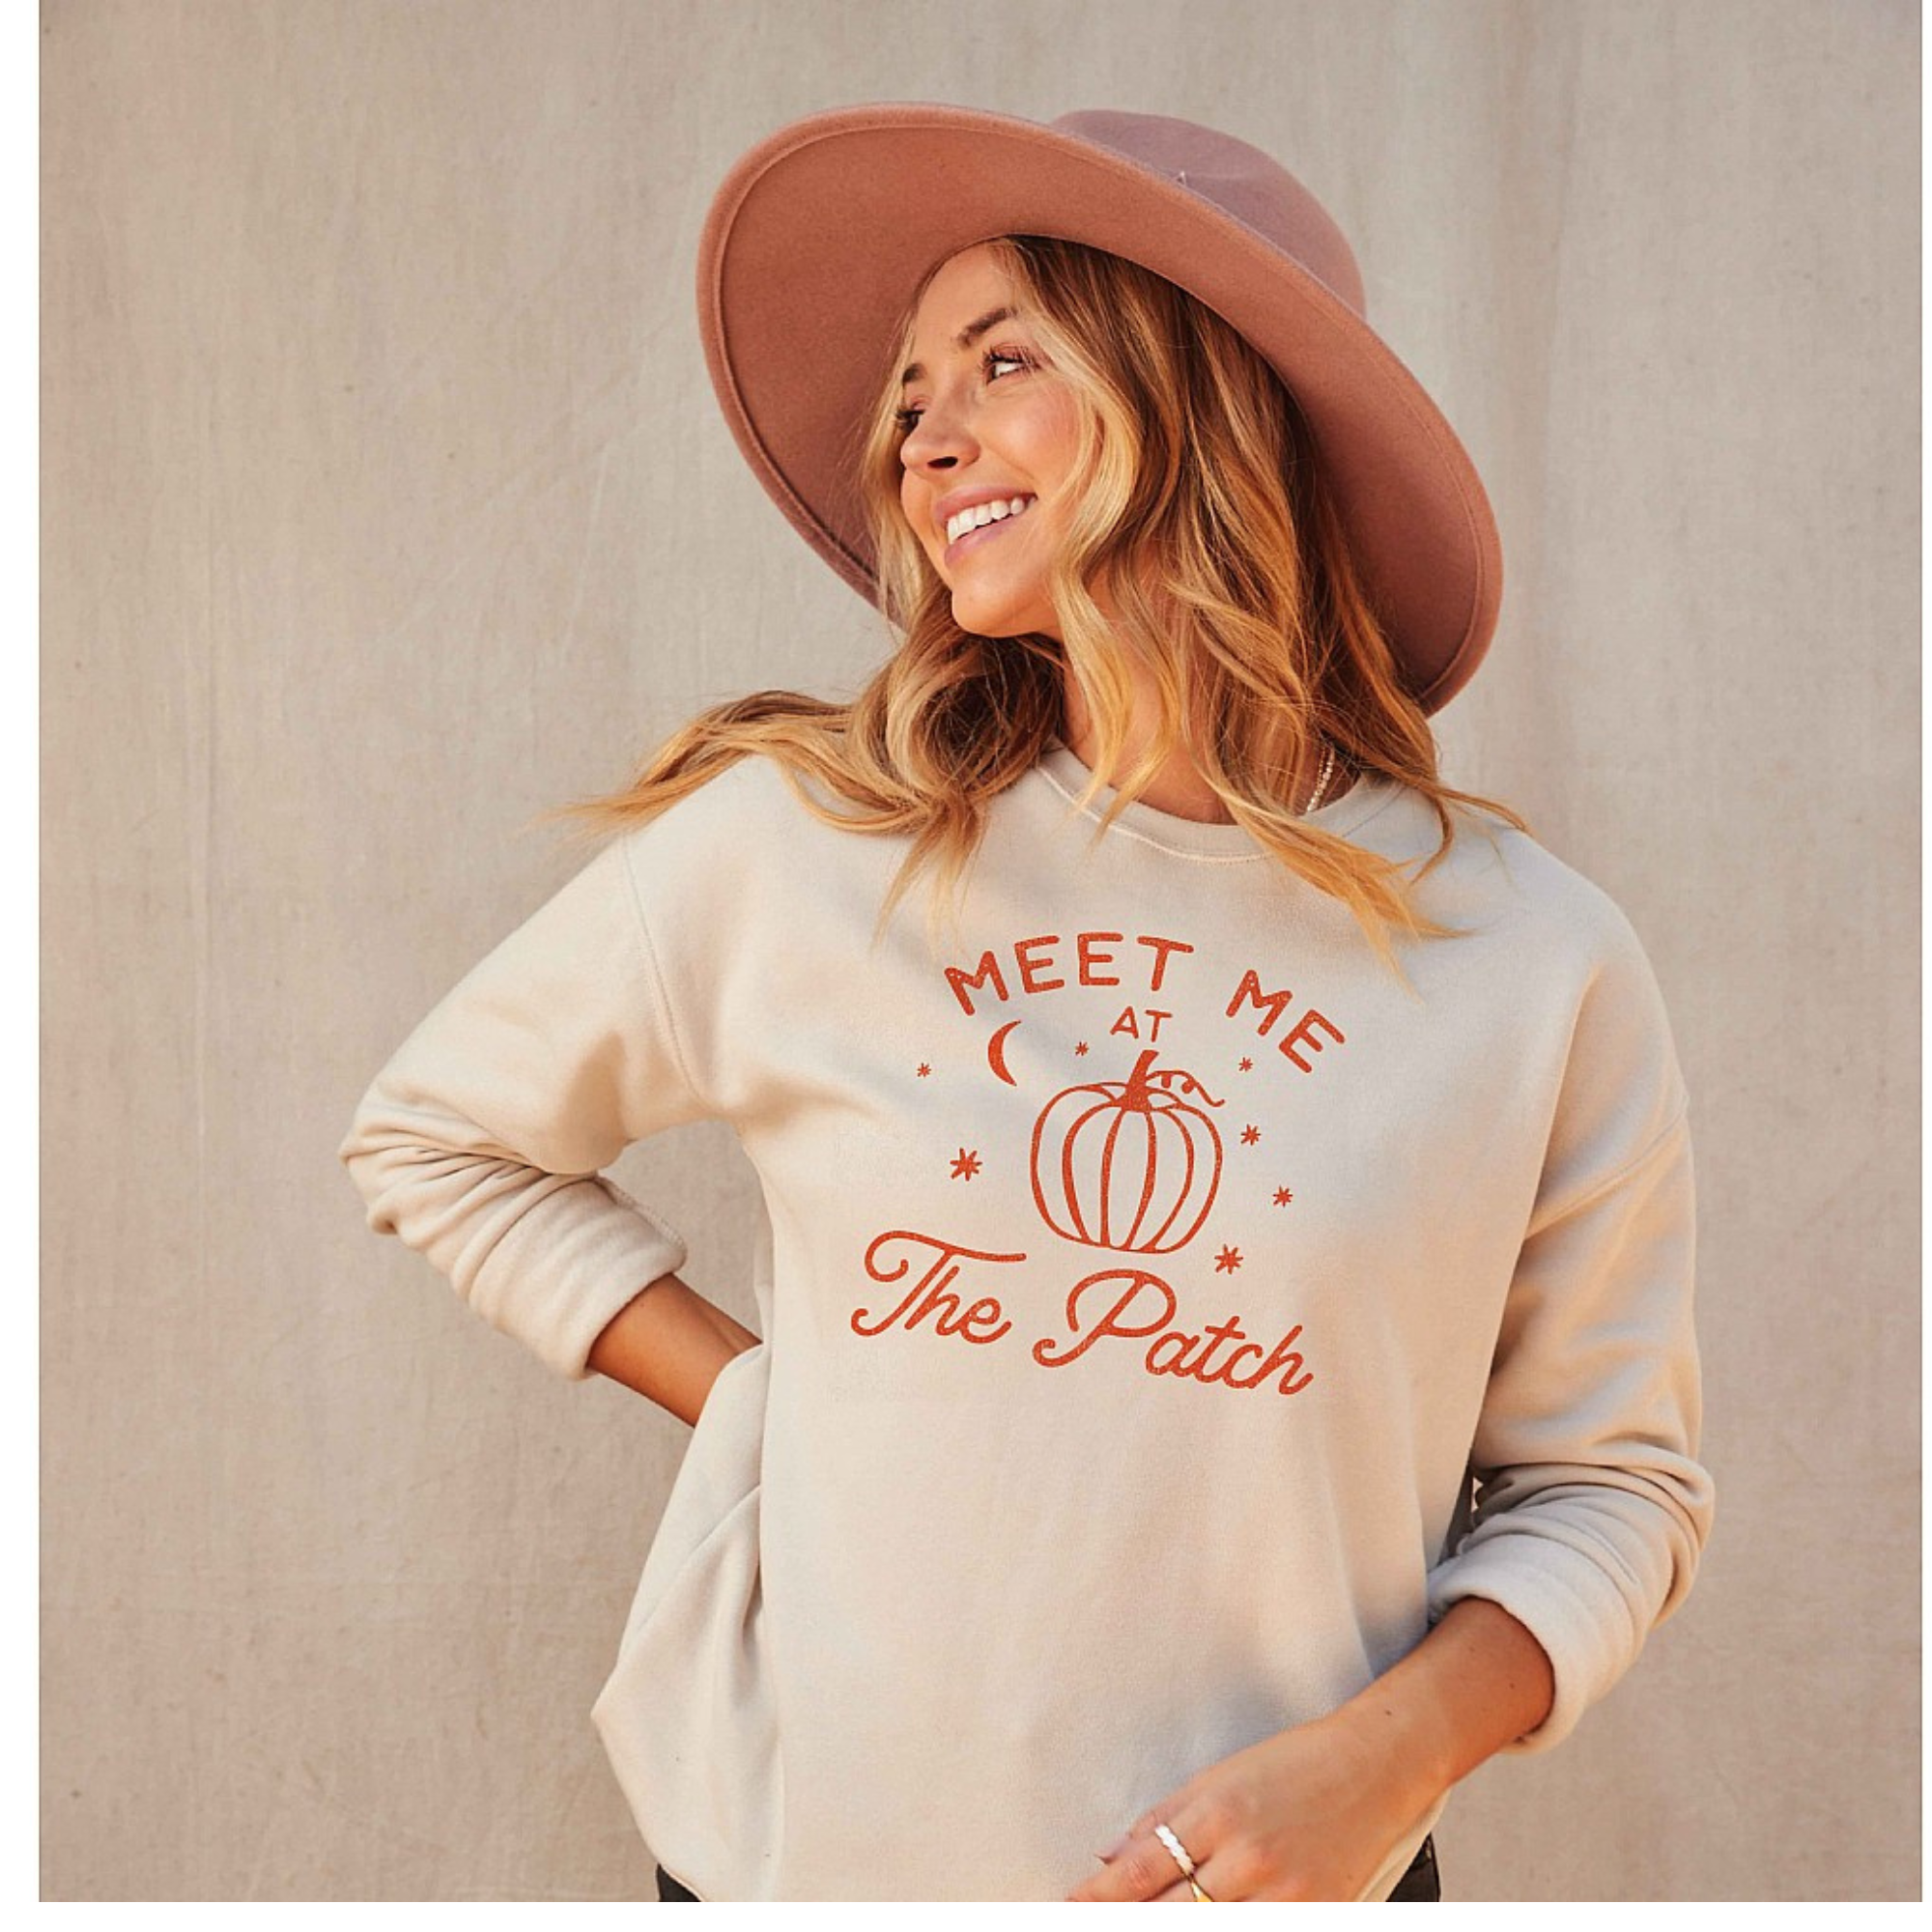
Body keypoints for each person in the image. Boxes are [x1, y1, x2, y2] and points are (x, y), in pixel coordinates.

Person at [339, 103, 1713, 1903]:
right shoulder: (810, 848)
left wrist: (1390, 1763)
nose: (925, 438)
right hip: (798, 1860)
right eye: (913, 393)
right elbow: (437, 1138)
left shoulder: (1532, 960)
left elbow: (1612, 1487)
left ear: (1201, 396)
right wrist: (772, 1401)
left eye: (1002, 361)